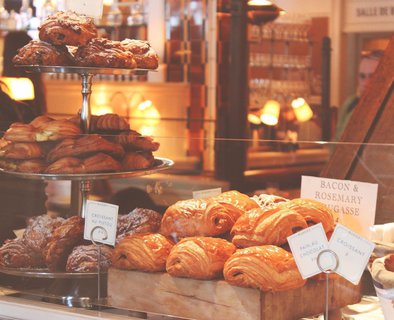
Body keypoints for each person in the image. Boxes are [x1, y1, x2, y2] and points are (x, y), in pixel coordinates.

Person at [334, 49, 384, 141]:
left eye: (372, 76)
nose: (366, 83)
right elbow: (337, 143)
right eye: (362, 76)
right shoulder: (350, 103)